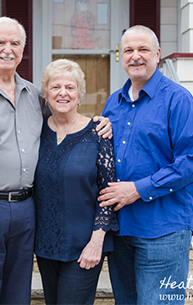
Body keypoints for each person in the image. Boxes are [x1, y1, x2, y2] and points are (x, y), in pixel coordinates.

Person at [0, 17, 111, 304]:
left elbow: (66, 114)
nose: (8, 49)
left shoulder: (34, 95)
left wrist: (101, 122)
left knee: (17, 297)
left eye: (15, 43)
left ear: (23, 49)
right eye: (0, 42)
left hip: (25, 213)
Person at [98, 25, 193, 305]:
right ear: (121, 57)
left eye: (143, 49)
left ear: (157, 55)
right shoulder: (114, 103)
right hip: (121, 229)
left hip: (163, 229)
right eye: (129, 50)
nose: (136, 56)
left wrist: (138, 189)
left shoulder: (178, 100)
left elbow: (192, 162)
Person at [33, 59, 117, 305]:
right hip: (46, 246)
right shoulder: (36, 132)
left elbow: (108, 192)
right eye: (55, 86)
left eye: (70, 87)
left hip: (84, 246)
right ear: (46, 95)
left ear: (80, 95)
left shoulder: (98, 134)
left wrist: (96, 241)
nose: (63, 93)